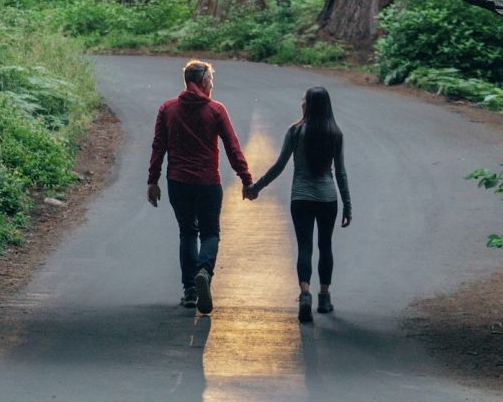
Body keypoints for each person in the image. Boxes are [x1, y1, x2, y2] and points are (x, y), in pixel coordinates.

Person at [147, 59, 253, 314]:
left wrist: (153, 180)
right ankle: (204, 271)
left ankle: (190, 292)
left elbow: (158, 146)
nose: (212, 85)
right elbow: (232, 146)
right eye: (211, 81)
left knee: (187, 232)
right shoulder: (215, 110)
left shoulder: (168, 109)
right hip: (207, 182)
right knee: (210, 233)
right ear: (203, 82)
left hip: (178, 182)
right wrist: (246, 178)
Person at [245, 86, 352, 322]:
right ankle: (324, 297)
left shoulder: (295, 132)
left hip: (301, 198)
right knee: (325, 245)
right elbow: (341, 173)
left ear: (309, 104)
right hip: (328, 198)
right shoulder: (336, 133)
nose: (301, 101)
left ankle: (305, 294)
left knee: (305, 247)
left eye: (304, 99)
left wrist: (256, 188)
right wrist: (347, 205)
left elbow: (279, 166)